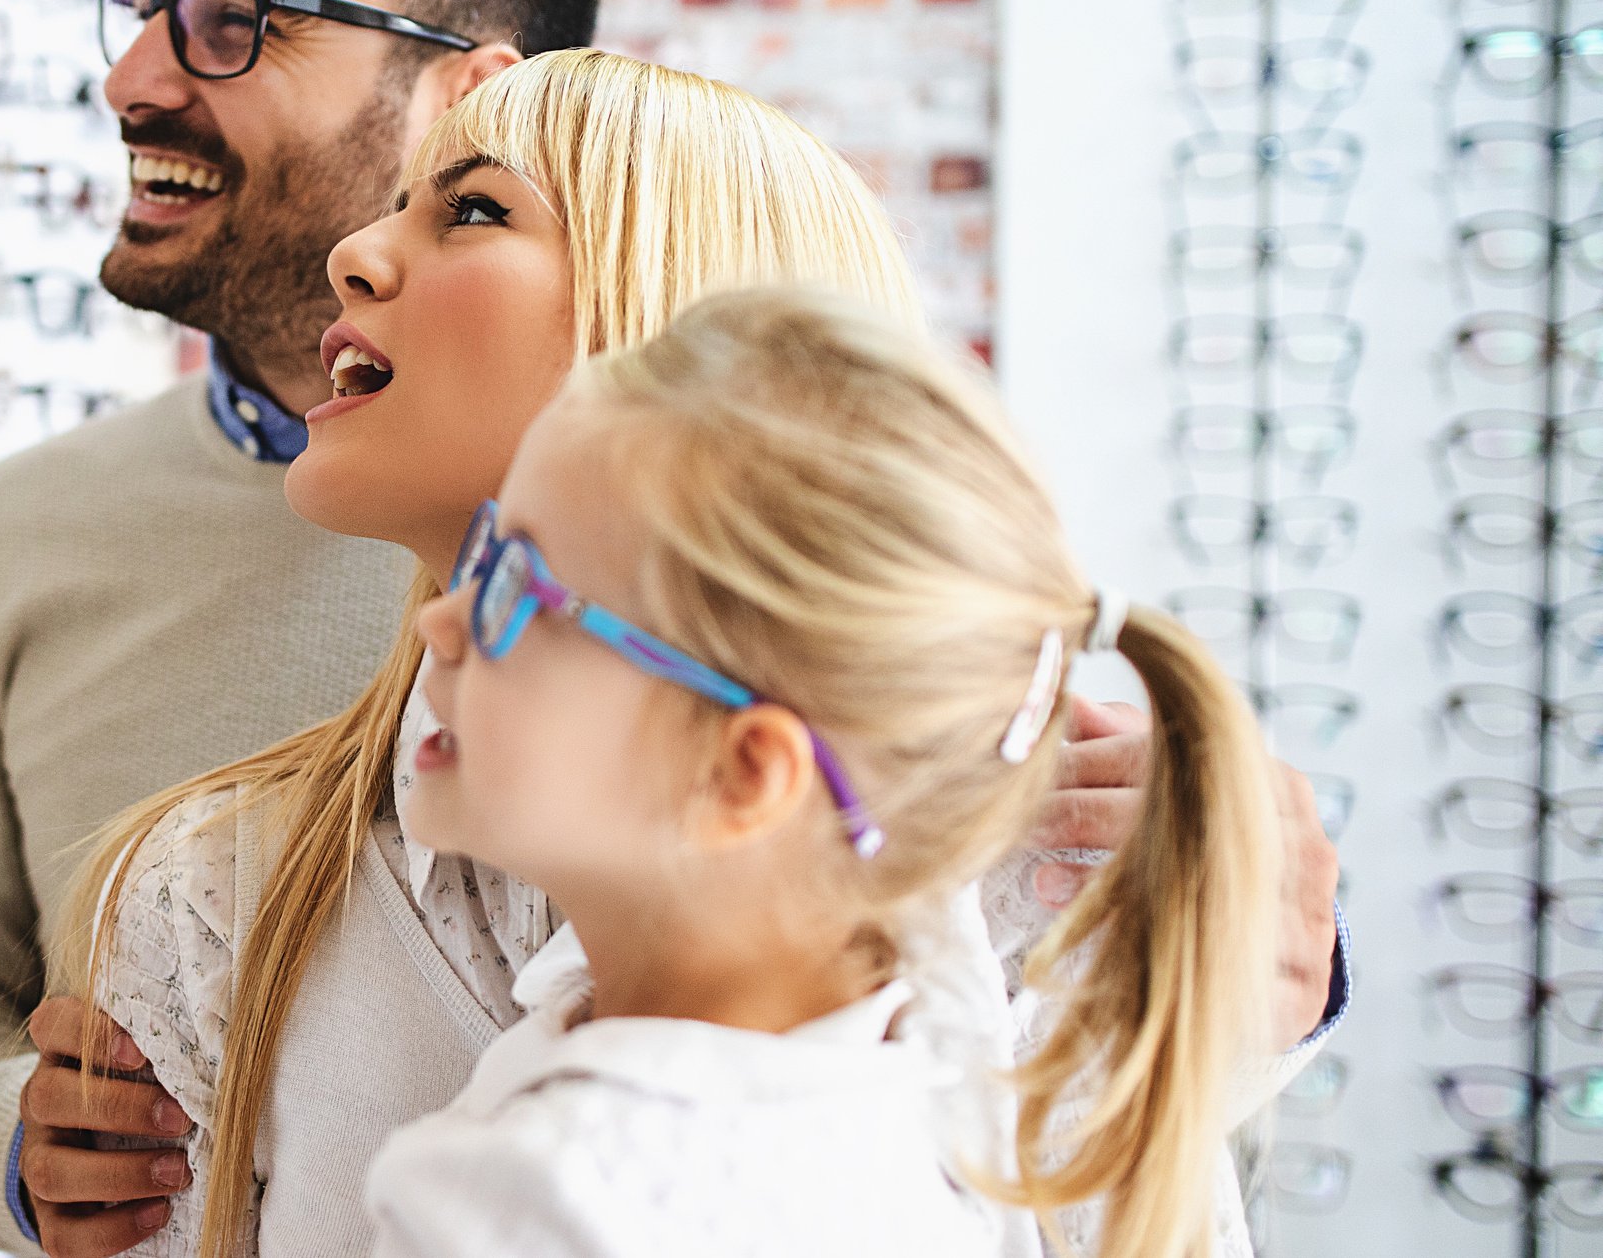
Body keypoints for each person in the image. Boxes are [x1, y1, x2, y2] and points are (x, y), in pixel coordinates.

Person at [59, 49, 1340, 1258]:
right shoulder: (209, 891)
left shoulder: (1025, 868)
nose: (351, 253)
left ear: (708, 337)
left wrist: (1246, 977)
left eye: (473, 211)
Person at [0, 0, 598, 1255]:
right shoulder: (22, 527)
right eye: (146, 8)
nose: (134, 78)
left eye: (231, 22)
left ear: (467, 93)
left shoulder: (695, 546)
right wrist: (16, 1140)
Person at [361, 286, 1279, 1258]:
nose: (439, 620)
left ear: (743, 773)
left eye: (518, 587)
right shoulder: (907, 1067)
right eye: (480, 552)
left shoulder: (530, 1202)